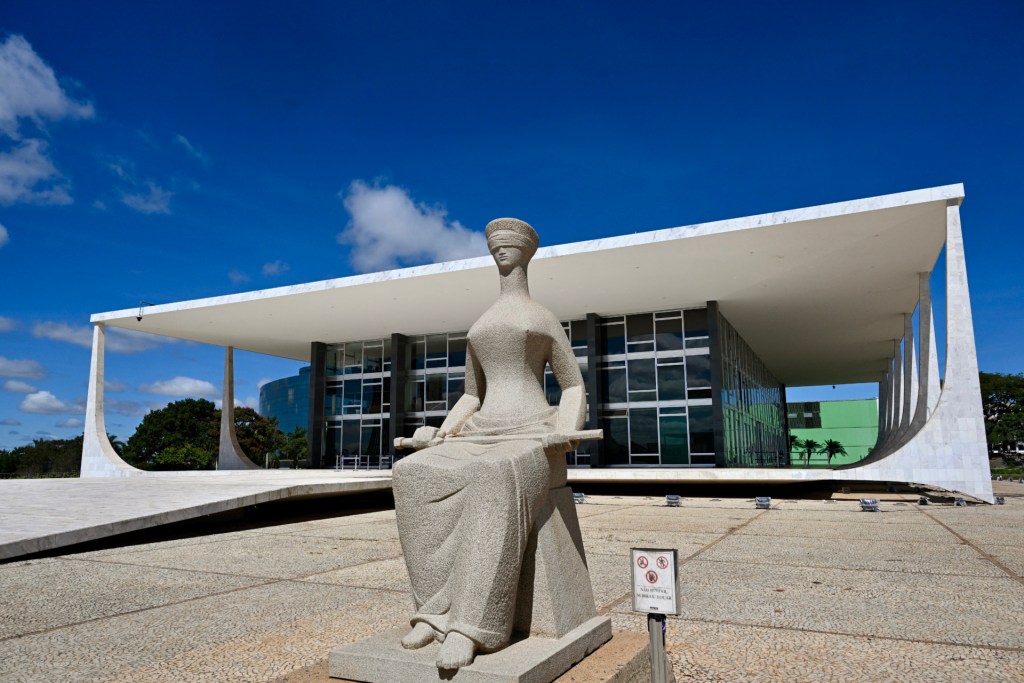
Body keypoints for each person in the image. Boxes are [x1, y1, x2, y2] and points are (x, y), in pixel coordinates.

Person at [392, 217, 586, 670]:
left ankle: (472, 625)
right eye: (493, 244)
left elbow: (573, 385)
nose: (500, 249)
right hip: (482, 430)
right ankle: (434, 613)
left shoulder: (541, 317)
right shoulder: (481, 324)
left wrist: (565, 430)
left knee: (495, 474)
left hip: (531, 431)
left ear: (527, 252)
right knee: (411, 474)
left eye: (508, 244)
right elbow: (471, 394)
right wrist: (443, 433)